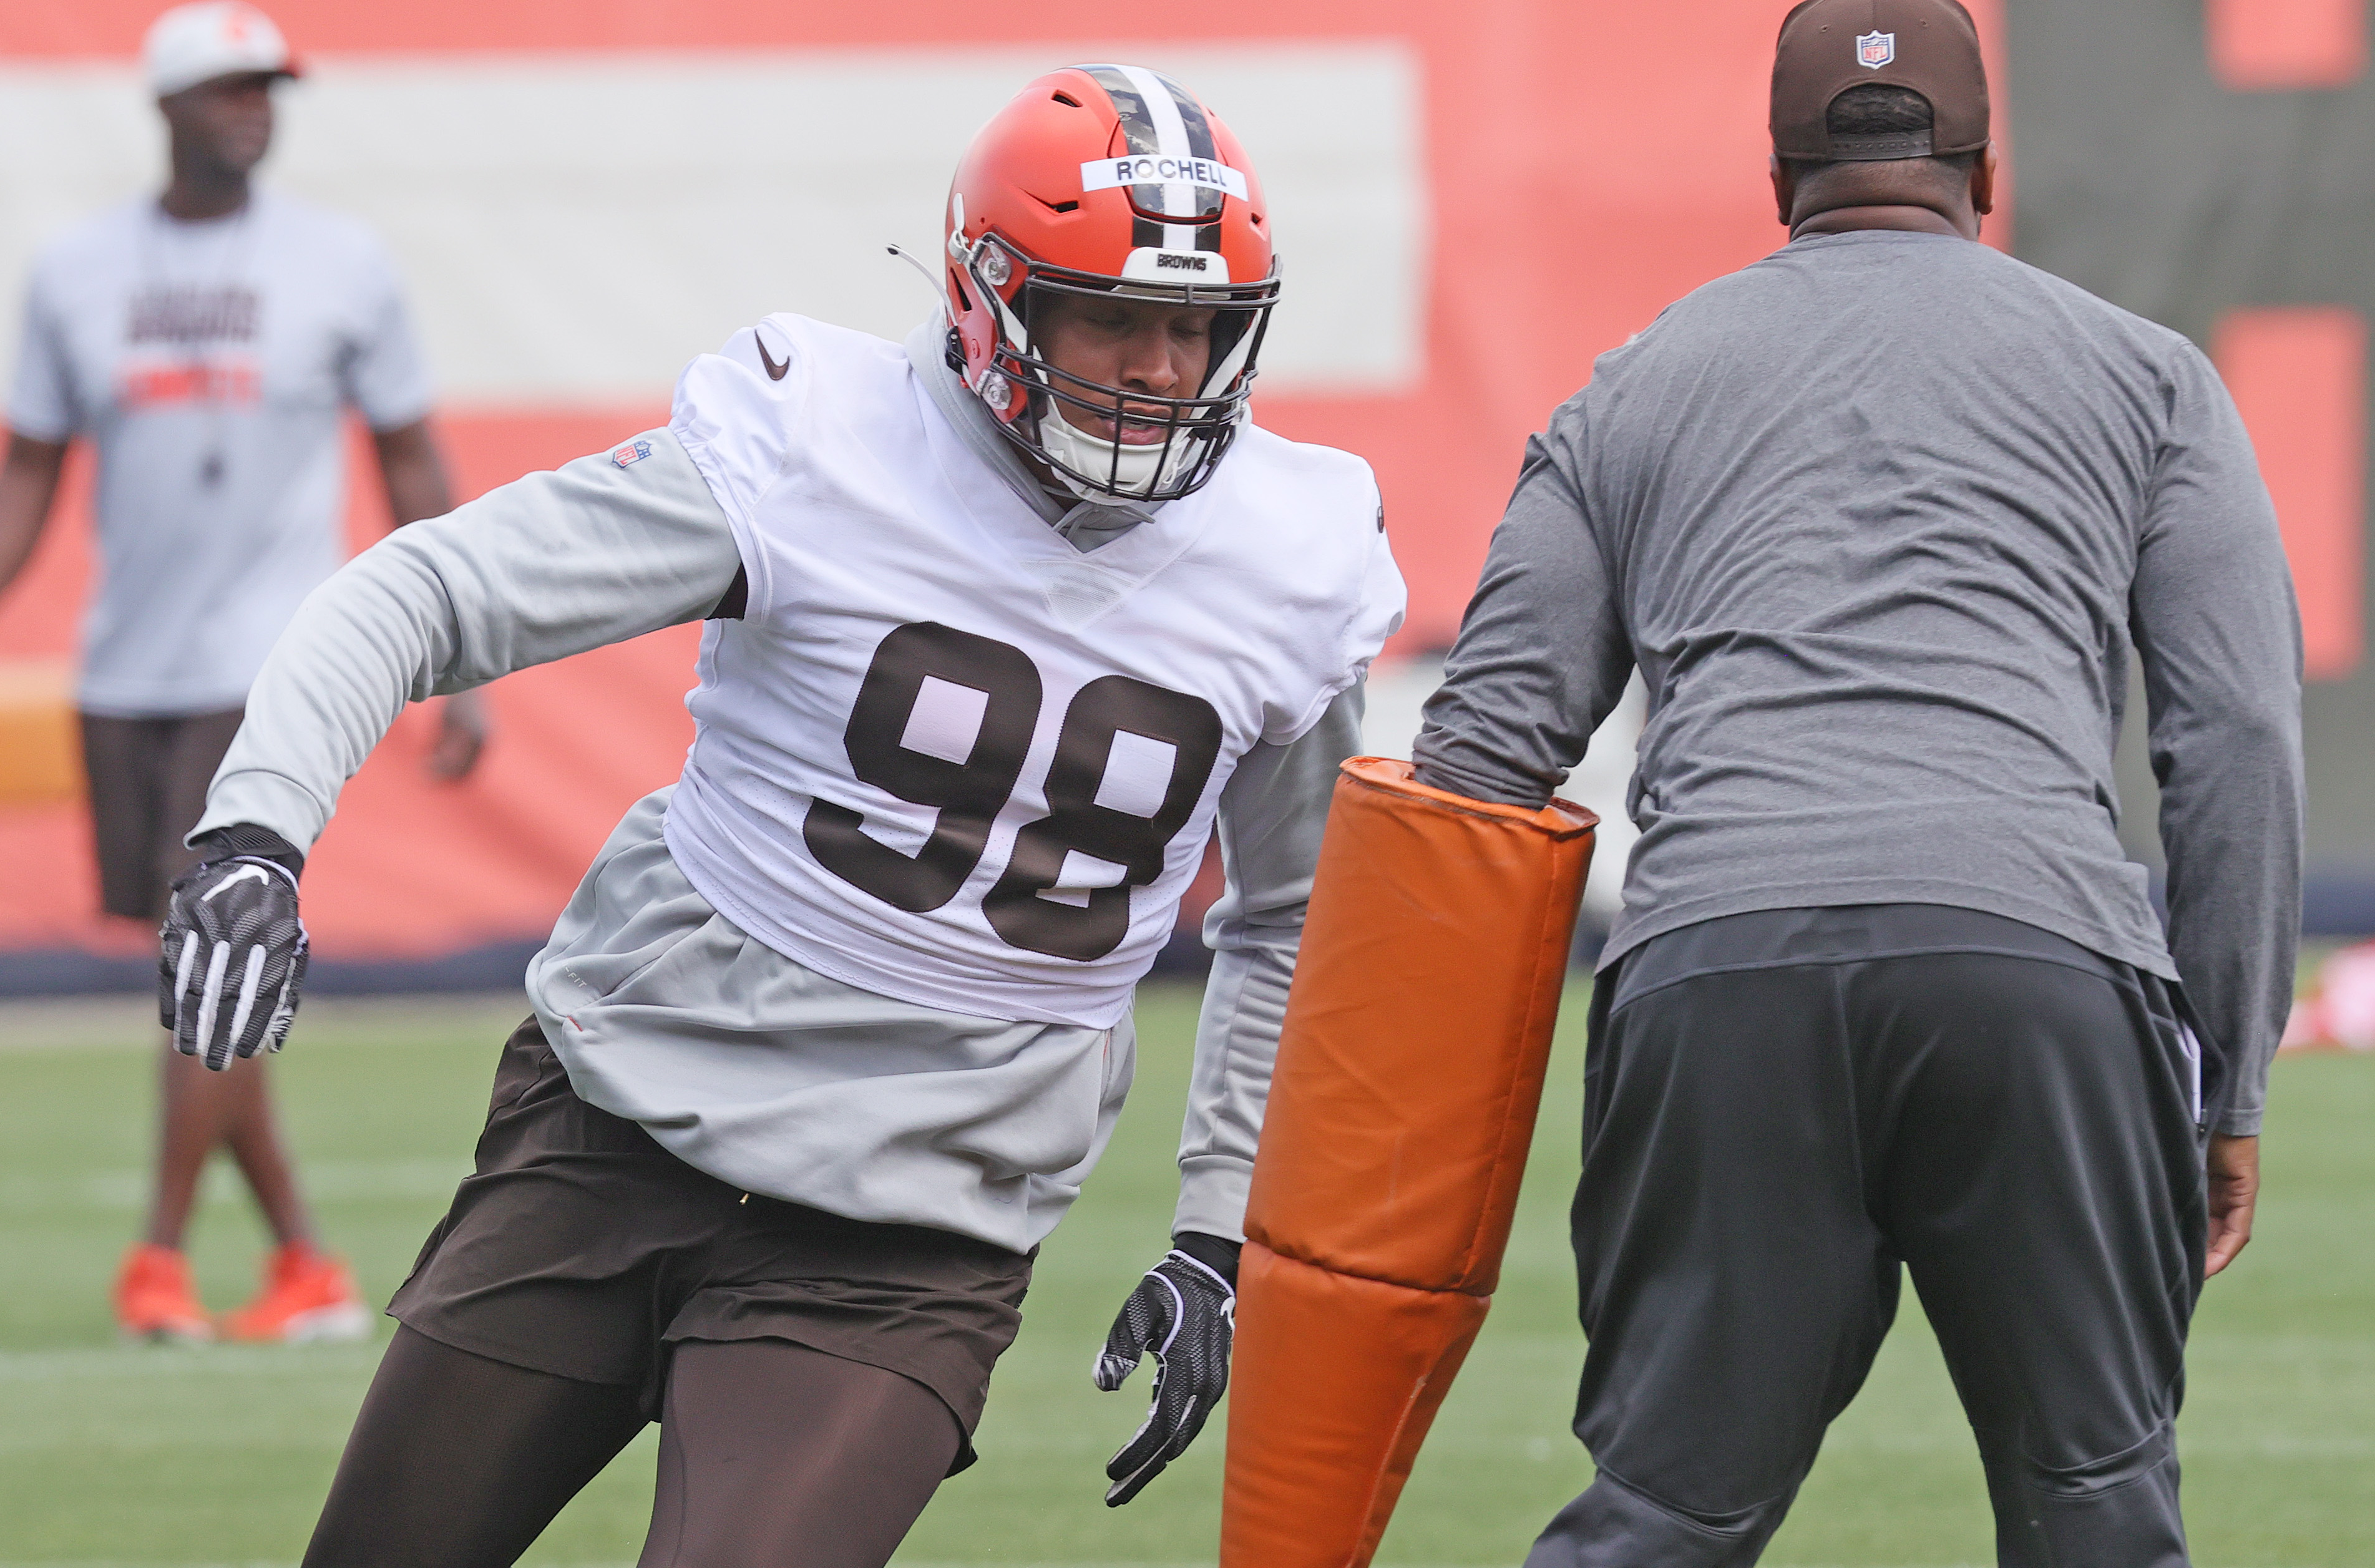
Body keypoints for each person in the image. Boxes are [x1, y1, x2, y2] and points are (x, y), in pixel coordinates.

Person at [157, 62, 1404, 1566]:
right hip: (619, 1124)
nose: (1159, 367)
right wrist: (255, 833)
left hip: (916, 1227)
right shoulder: (818, 440)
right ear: (991, 300)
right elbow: (428, 591)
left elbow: (1295, 917)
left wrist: (1220, 1227)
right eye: (1112, 316)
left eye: (1195, 324)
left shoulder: (1293, 551)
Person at [1405, 2, 2300, 1564]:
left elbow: (1478, 759)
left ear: (1778, 175)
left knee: (1664, 1519)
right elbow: (2236, 739)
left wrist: (1408, 1144)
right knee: (2097, 1511)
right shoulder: (2149, 379)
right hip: (2037, 969)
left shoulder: (1629, 386)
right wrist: (2227, 1081)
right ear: (1986, 169)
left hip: (1716, 973)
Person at [0, 2, 484, 1345]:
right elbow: (24, 476)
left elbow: (413, 461)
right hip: (123, 670)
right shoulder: (77, 271)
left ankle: (155, 1254)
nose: (255, 107)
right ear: (166, 109)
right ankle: (307, 1268)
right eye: (227, 88)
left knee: (200, 946)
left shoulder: (342, 265)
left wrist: (466, 664)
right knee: (195, 961)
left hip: (270, 664)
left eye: (270, 86)